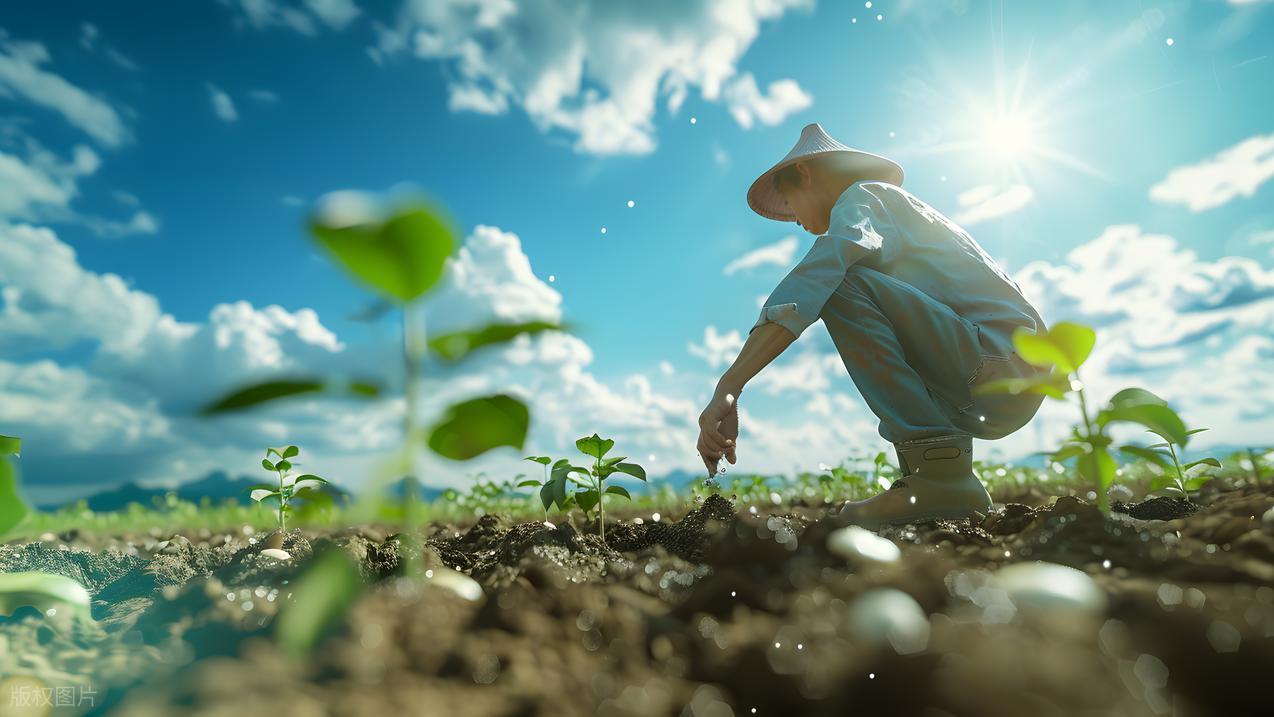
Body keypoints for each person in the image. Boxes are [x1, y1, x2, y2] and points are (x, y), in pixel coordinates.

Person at [695, 122, 1049, 529]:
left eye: (790, 201)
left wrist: (731, 384)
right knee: (849, 282)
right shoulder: (895, 216)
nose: (793, 219)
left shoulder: (865, 196)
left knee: (839, 282)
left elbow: (822, 272)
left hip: (1000, 361)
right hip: (1008, 369)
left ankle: (942, 477)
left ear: (805, 174)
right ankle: (931, 478)